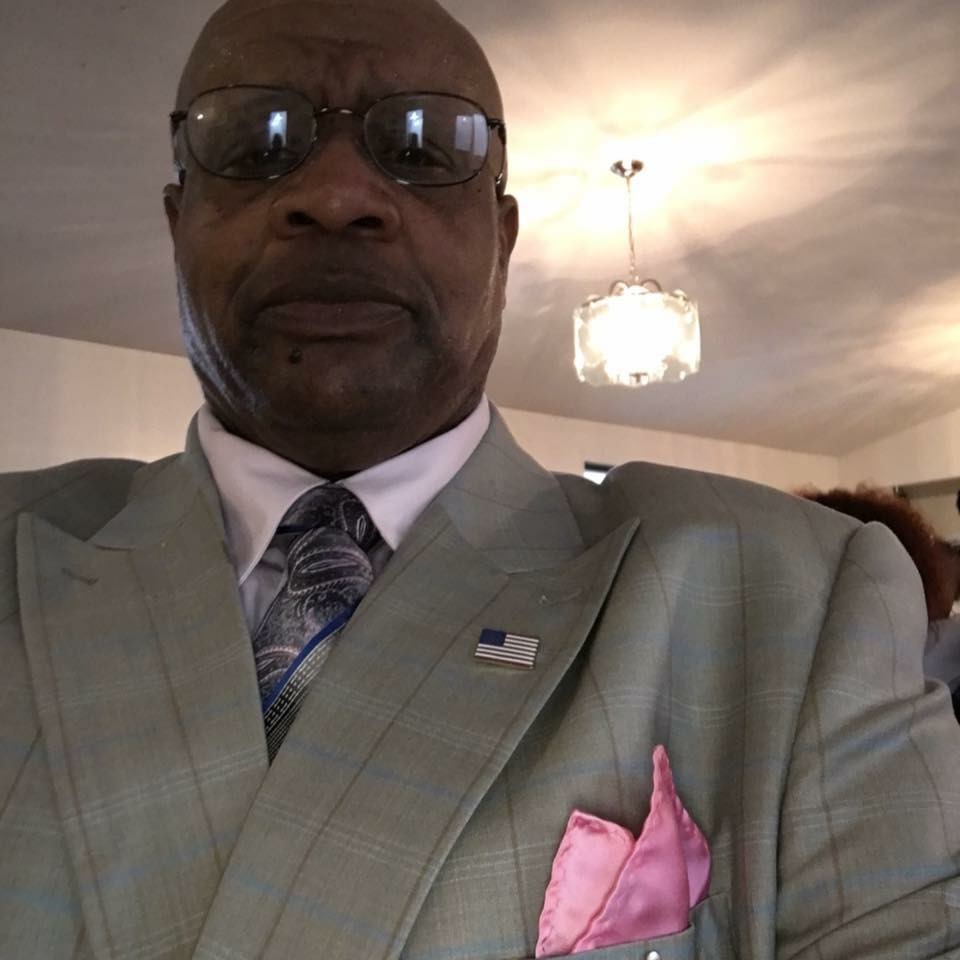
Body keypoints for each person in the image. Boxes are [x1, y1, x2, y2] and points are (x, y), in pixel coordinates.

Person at [2, 1, 959, 958]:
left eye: (423, 150)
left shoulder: (794, 599)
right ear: (179, 224)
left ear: (502, 239)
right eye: (255, 144)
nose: (336, 195)